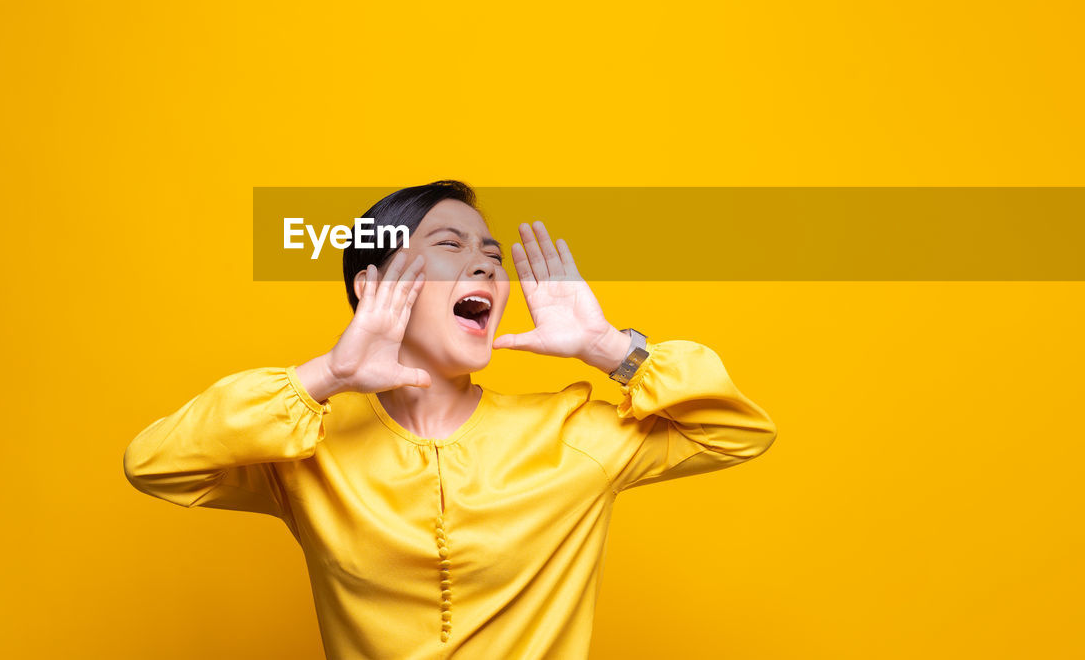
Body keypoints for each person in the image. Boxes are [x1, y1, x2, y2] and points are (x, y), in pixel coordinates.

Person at [123, 180, 777, 659]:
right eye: (449, 244)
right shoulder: (309, 450)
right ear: (374, 284)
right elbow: (155, 462)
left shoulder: (570, 435)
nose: (486, 265)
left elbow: (738, 430)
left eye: (491, 256)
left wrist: (609, 347)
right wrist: (329, 373)